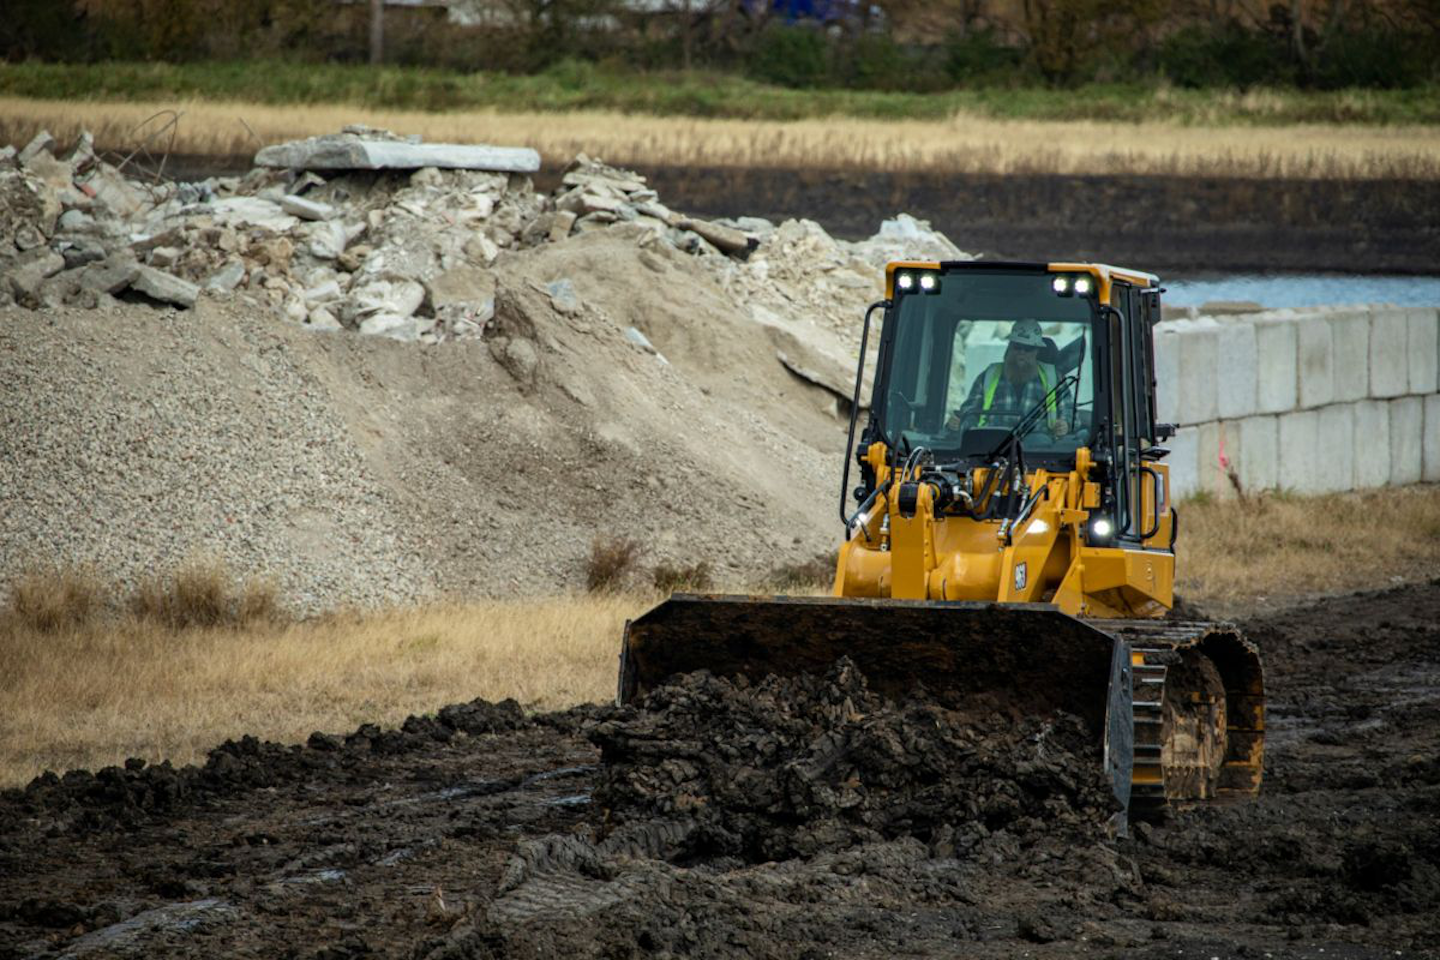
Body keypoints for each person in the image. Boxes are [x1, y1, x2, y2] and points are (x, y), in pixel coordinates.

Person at [946, 319, 1071, 437]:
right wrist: (960, 423)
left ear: (1036, 351)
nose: (1022, 352)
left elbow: (1069, 414)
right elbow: (970, 411)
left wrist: (1064, 425)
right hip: (992, 446)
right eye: (1017, 346)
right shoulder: (989, 375)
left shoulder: (1054, 378)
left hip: (1038, 447)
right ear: (1010, 347)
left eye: (1028, 348)